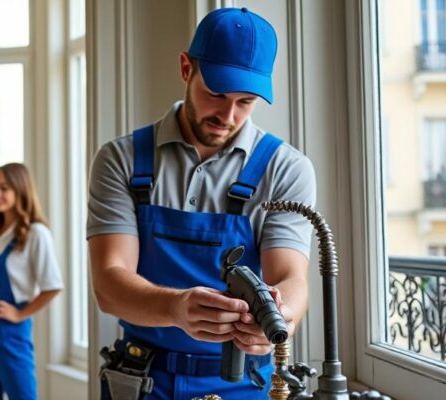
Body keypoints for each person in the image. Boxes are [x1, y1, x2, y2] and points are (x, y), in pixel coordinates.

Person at [87, 7, 316, 400]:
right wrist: (175, 308)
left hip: (244, 384)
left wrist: (282, 318)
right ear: (185, 68)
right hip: (142, 381)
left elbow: (291, 277)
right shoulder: (121, 160)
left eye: (246, 101)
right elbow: (109, 284)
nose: (228, 115)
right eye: (216, 94)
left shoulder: (286, 169)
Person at [0, 163, 64, 400]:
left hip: (9, 333)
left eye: (4, 188)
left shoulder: (36, 233)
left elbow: (53, 286)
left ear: (21, 190)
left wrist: (19, 314)